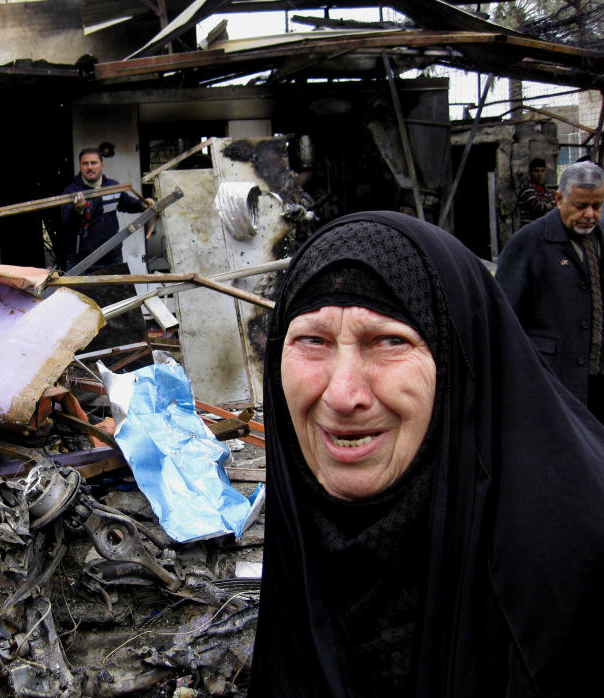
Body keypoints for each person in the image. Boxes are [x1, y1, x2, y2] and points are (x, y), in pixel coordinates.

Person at [249, 211, 604, 696]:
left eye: (389, 341)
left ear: (459, 362)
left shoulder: (575, 570)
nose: (341, 395)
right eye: (313, 340)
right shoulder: (303, 516)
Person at [496, 160, 604, 421]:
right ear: (559, 199)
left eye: (597, 206)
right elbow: (503, 317)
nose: (589, 214)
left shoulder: (600, 236)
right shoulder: (529, 243)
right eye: (580, 206)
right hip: (554, 380)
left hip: (598, 377)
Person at [58, 146, 149, 271]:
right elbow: (65, 223)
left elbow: (126, 203)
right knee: (78, 292)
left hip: (112, 258)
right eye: (85, 163)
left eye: (93, 163)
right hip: (82, 262)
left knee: (118, 291)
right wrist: (77, 210)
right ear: (80, 166)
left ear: (102, 165)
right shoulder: (71, 192)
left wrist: (142, 205)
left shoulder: (112, 187)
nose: (89, 167)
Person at [517, 157, 556, 226]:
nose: (540, 174)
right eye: (536, 171)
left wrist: (547, 206)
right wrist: (548, 206)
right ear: (530, 172)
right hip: (529, 230)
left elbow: (555, 207)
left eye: (542, 171)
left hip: (542, 229)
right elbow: (538, 207)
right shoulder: (527, 189)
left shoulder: (546, 191)